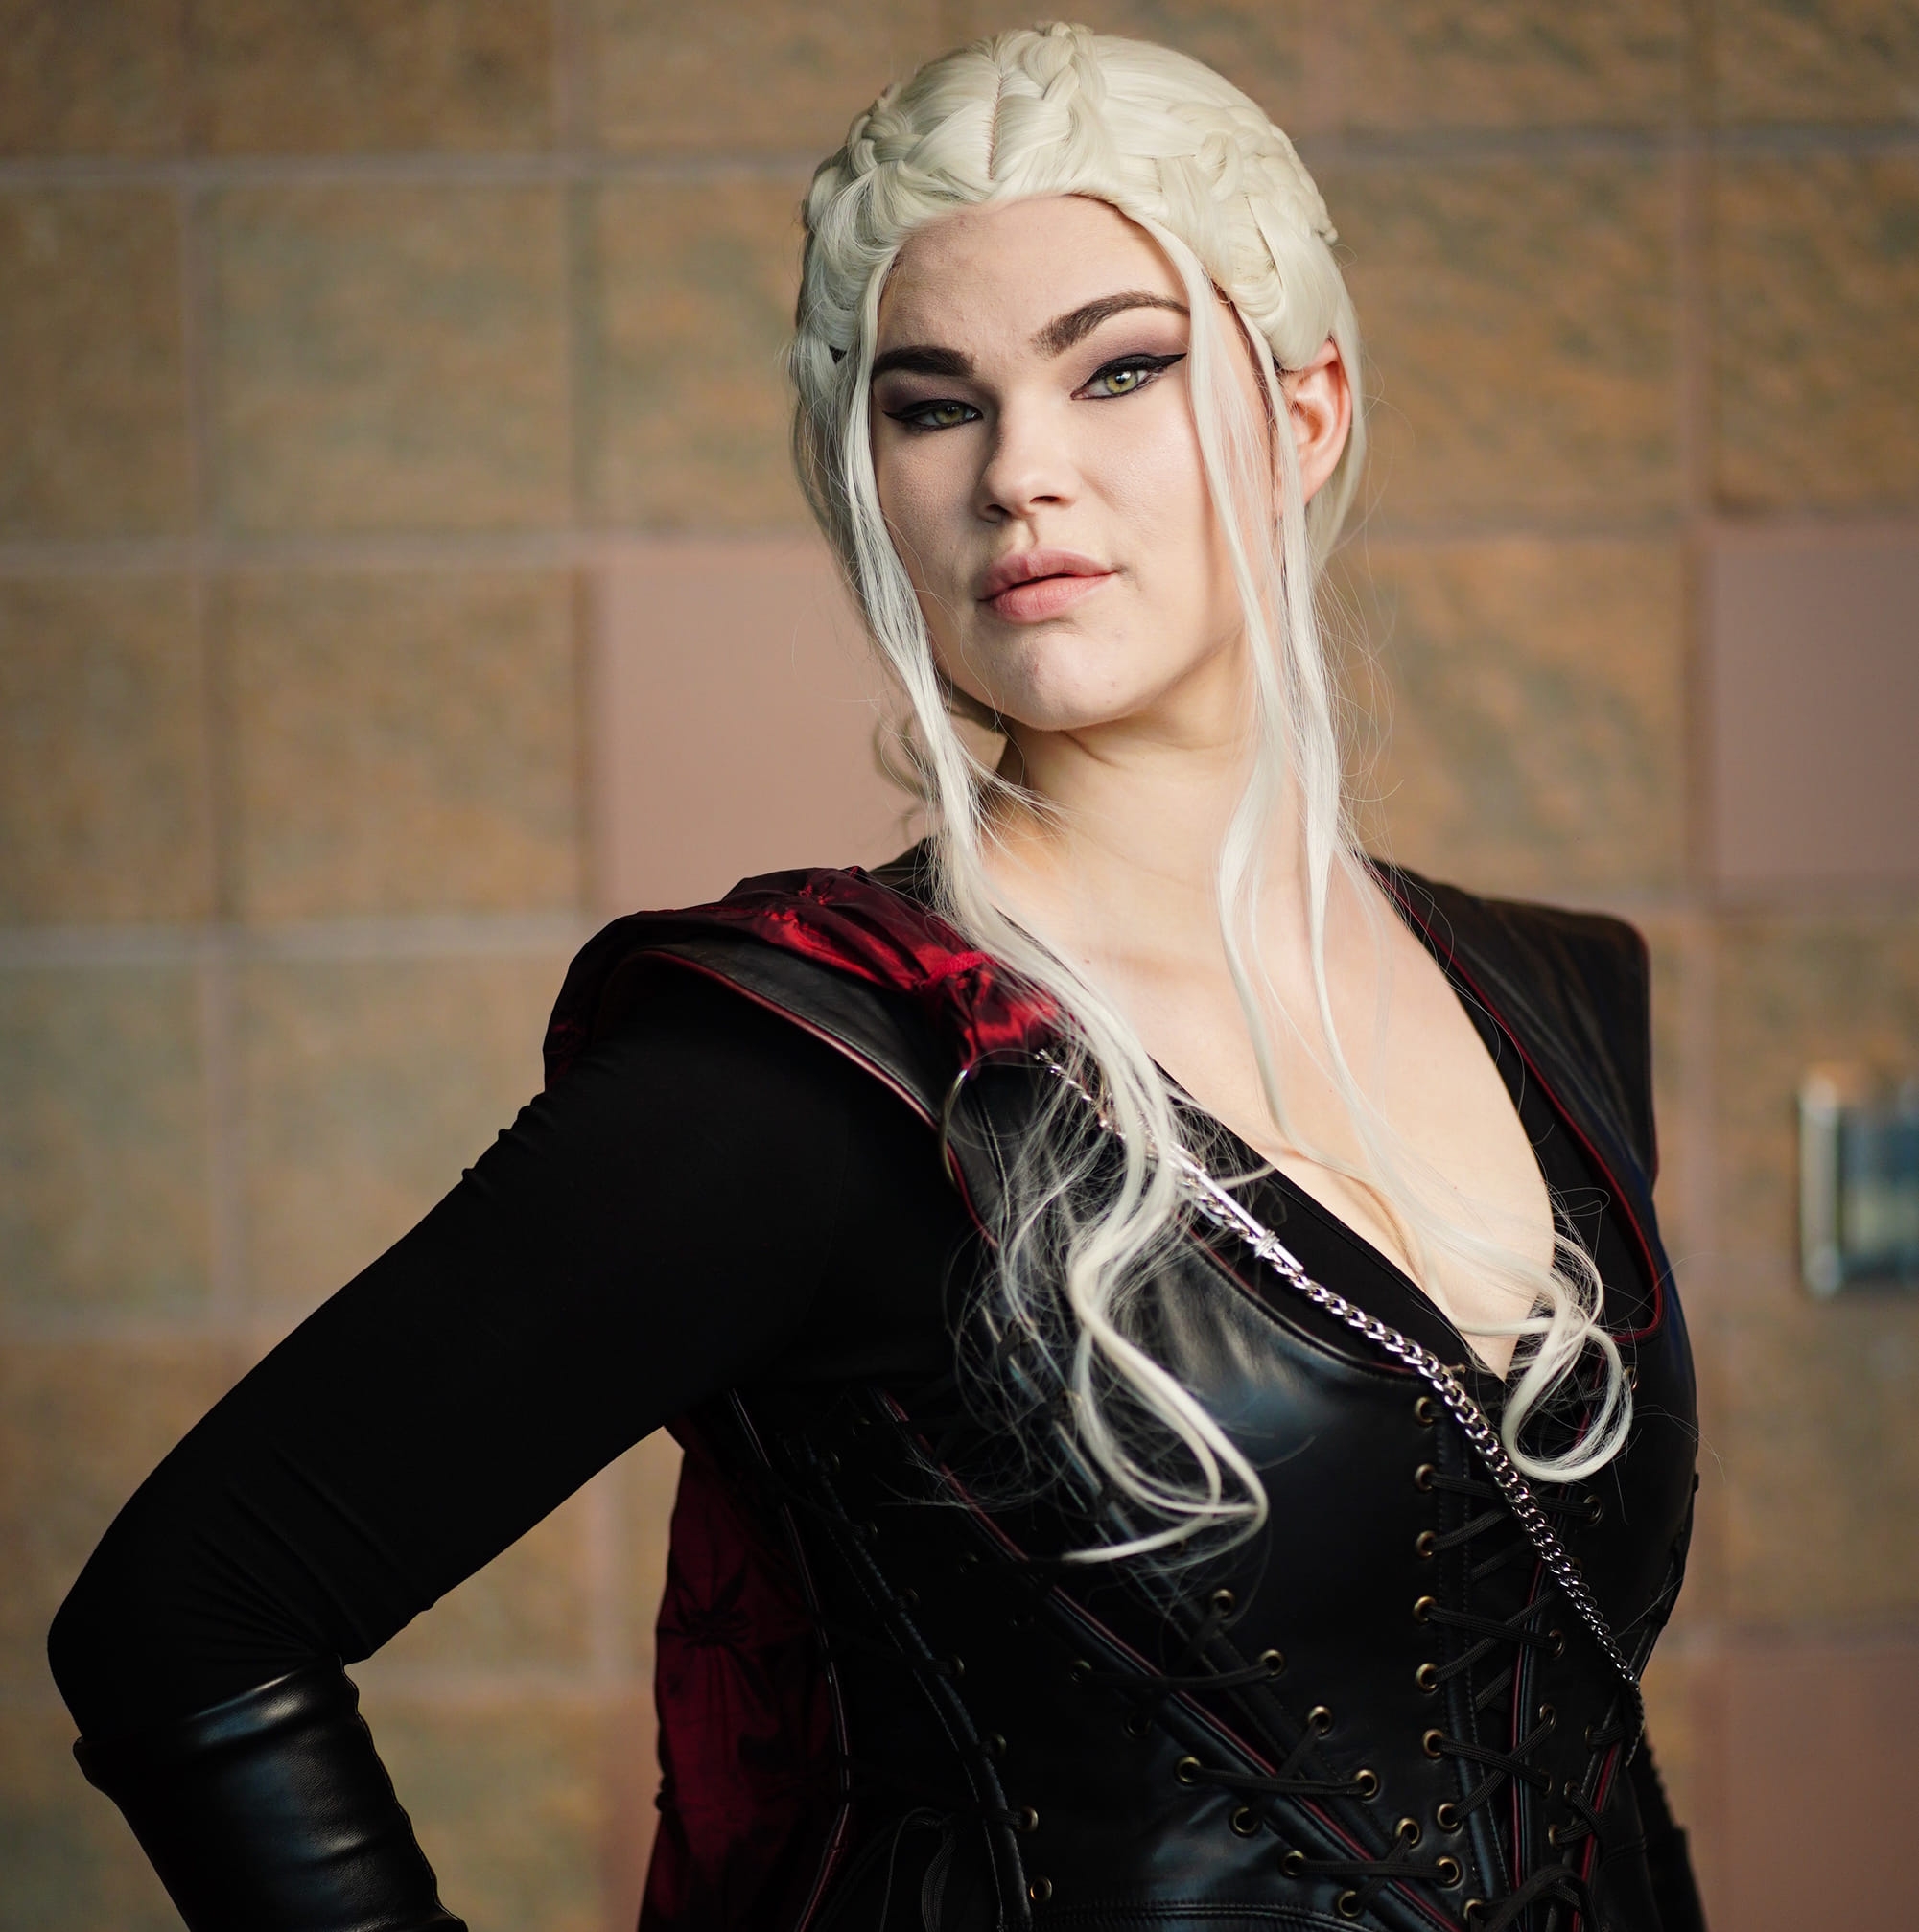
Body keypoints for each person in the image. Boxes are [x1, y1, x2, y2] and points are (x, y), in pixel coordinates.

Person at [48, 24, 1705, 1932]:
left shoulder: (1557, 999)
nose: (1020, 474)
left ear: (1305, 409)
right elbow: (189, 1616)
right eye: (933, 406)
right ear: (867, 479)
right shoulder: (813, 1072)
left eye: (1120, 368)